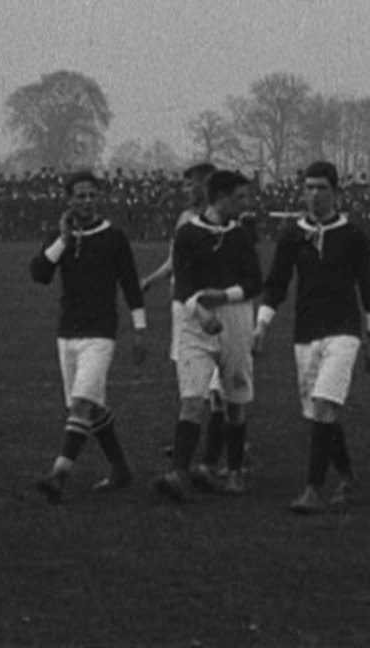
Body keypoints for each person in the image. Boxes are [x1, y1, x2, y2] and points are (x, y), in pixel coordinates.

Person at [254, 162, 370, 515]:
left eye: (321, 188)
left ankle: (312, 489)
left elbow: (368, 287)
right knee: (319, 414)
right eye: (309, 187)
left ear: (336, 192)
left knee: (325, 404)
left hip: (343, 332)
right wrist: (262, 325)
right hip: (305, 334)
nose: (314, 194)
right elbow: (277, 283)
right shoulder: (291, 235)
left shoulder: (354, 235)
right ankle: (348, 475)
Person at [30, 170, 147, 503]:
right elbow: (39, 273)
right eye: (79, 196)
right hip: (68, 331)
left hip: (100, 333)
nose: (86, 201)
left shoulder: (114, 237)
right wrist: (64, 240)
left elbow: (130, 284)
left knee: (81, 404)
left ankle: (58, 474)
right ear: (69, 200)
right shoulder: (61, 236)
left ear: (99, 197)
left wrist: (140, 329)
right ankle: (120, 467)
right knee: (91, 409)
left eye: (91, 195)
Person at [156, 170, 262, 501]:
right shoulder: (187, 233)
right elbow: (183, 281)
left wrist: (223, 296)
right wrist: (200, 310)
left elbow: (255, 282)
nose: (247, 203)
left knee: (233, 400)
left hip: (235, 320)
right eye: (240, 197)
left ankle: (233, 472)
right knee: (192, 399)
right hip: (194, 319)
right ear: (219, 197)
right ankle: (179, 474)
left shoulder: (242, 236)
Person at [140, 162, 227, 490]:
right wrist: (150, 280)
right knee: (191, 382)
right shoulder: (183, 219)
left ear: (209, 185)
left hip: (212, 307)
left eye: (194, 183)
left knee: (219, 389)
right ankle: (189, 445)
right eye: (186, 184)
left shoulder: (225, 220)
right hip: (184, 306)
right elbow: (174, 261)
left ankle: (215, 459)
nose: (187, 189)